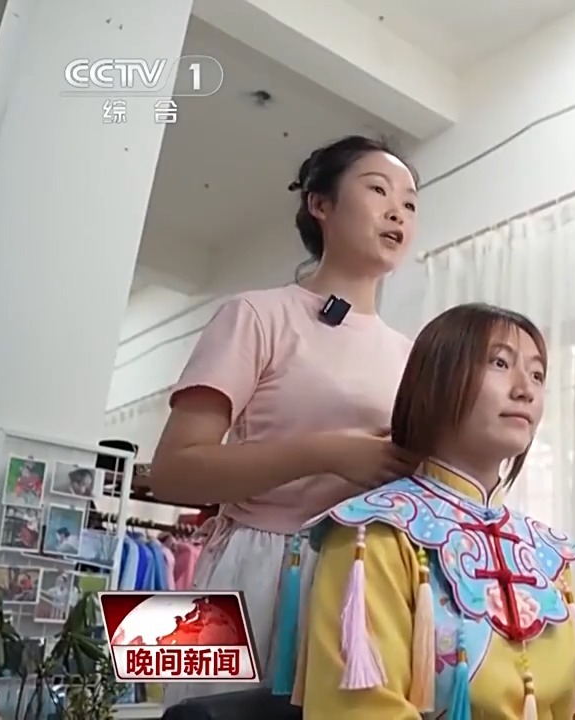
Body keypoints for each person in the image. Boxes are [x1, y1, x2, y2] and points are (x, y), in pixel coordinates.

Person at [147, 135, 418, 704]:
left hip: (365, 580)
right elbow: (173, 472)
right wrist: (328, 453)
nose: (398, 211)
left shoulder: (412, 354)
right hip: (251, 568)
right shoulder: (255, 315)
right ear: (320, 204)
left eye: (410, 202)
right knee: (206, 718)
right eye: (378, 190)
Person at [297, 303, 575, 720]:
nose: (526, 389)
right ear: (438, 380)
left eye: (538, 374)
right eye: (500, 363)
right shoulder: (373, 534)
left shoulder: (555, 556)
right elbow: (362, 710)